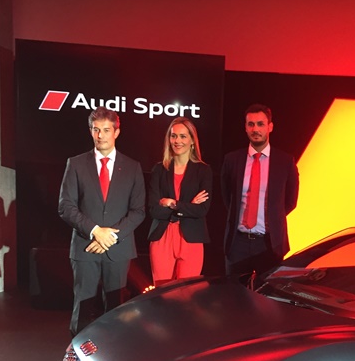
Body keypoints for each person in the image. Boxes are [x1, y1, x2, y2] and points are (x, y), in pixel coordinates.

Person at [58, 106, 146, 336]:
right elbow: (65, 206)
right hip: (85, 246)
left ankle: (114, 354)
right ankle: (78, 354)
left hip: (118, 248)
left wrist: (110, 237)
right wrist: (96, 231)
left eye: (106, 130)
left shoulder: (132, 167)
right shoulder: (76, 164)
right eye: (96, 130)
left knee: (117, 311)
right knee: (82, 307)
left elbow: (138, 211)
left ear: (116, 132)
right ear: (90, 131)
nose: (100, 135)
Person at [221, 103, 299, 280]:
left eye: (260, 124)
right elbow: (227, 198)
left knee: (267, 295)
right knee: (235, 293)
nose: (255, 129)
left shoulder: (285, 161)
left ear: (270, 127)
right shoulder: (232, 160)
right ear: (245, 127)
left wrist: (271, 217)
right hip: (237, 244)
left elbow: (290, 202)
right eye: (251, 124)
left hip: (269, 244)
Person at [147, 117, 212, 285]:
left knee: (187, 294)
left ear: (192, 140)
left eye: (183, 136)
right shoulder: (159, 169)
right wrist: (188, 205)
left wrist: (172, 203)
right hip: (162, 237)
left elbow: (202, 210)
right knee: (161, 293)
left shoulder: (203, 171)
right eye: (173, 136)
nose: (177, 141)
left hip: (191, 238)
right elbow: (154, 209)